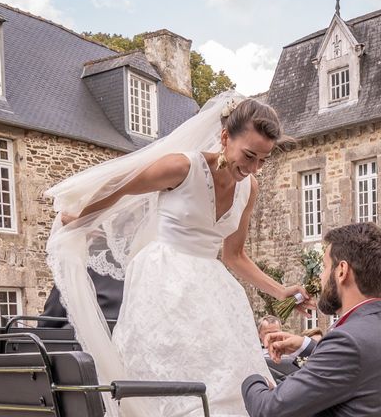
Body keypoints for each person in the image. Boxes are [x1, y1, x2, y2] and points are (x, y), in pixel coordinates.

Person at [44, 94, 313, 417]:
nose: (254, 167)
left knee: (230, 381)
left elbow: (234, 254)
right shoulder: (183, 167)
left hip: (213, 287)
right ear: (225, 138)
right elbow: (121, 186)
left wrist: (280, 290)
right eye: (250, 155)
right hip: (165, 280)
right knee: (176, 379)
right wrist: (80, 219)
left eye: (263, 160)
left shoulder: (249, 188)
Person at [241, 222, 381, 417]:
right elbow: (362, 363)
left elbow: (269, 410)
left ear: (342, 271)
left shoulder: (348, 342)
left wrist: (253, 376)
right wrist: (305, 345)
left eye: (324, 267)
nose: (321, 277)